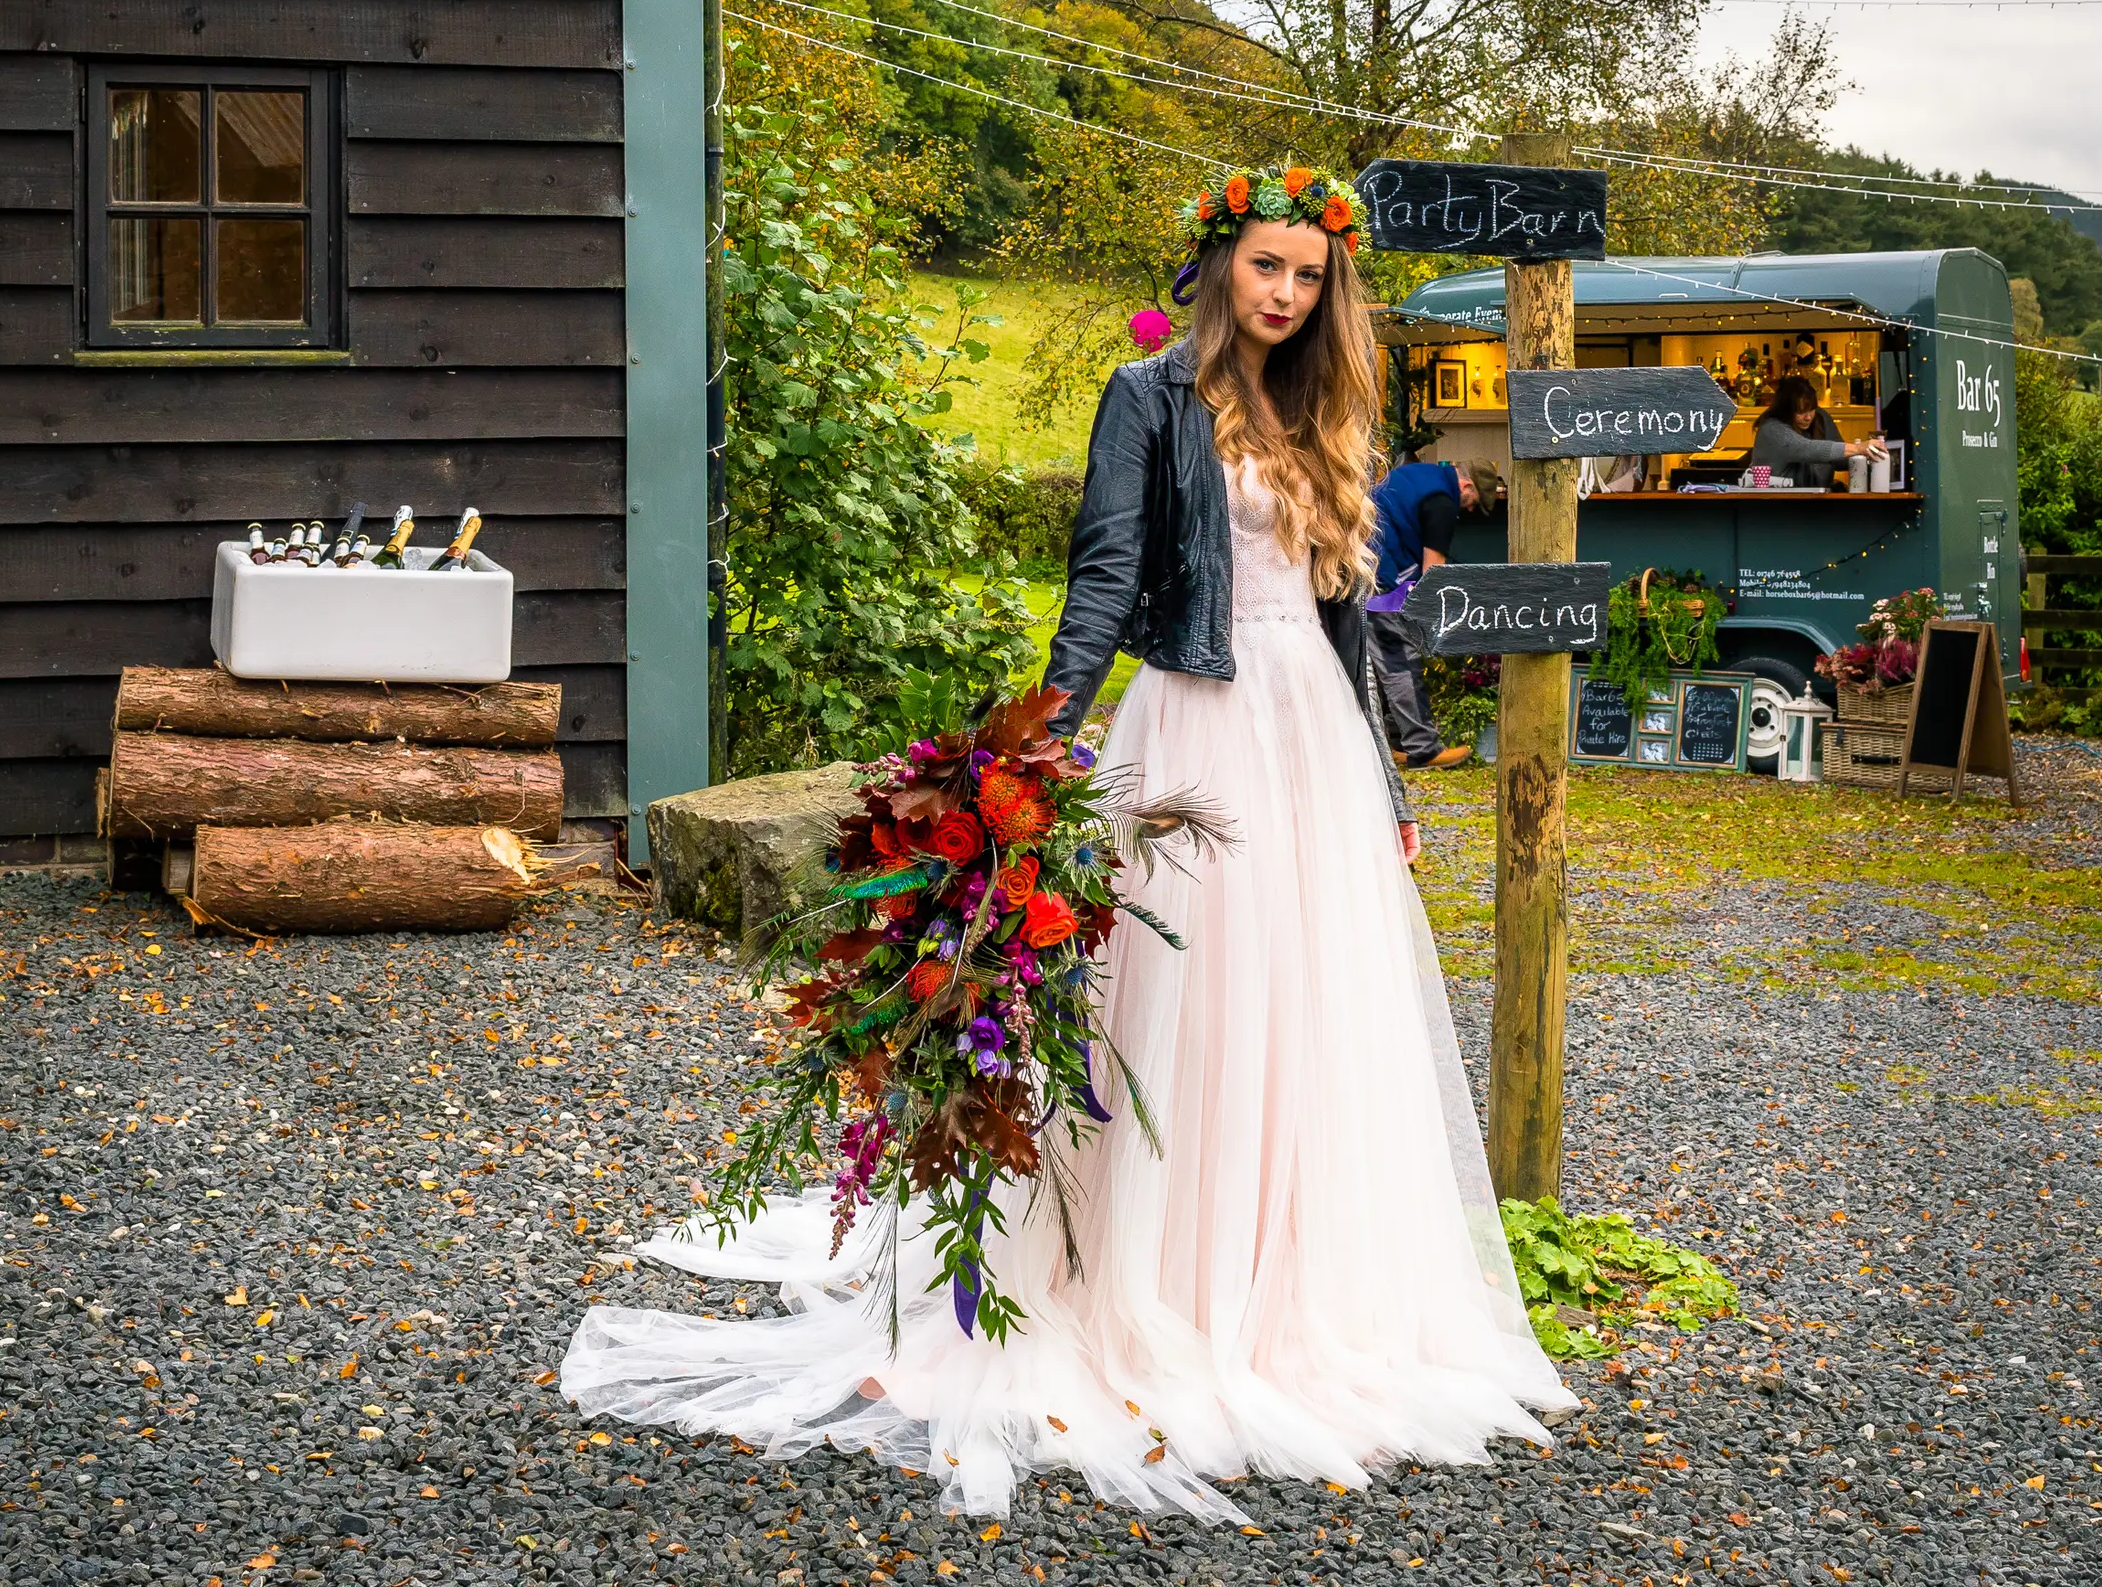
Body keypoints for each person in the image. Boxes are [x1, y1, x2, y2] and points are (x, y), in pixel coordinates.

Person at [562, 165, 1569, 1523]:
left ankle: (1295, 1285)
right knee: (1185, 1003)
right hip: (1197, 724)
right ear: (1220, 267)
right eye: (1266, 267)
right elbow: (1104, 576)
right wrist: (1033, 748)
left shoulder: (1327, 408)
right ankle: (1154, 1279)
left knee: (1310, 1005)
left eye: (1308, 275)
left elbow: (1342, 612)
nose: (1285, 294)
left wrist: (1385, 782)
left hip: (1311, 740)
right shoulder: (1148, 396)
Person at [1361, 457, 1495, 766]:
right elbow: (1433, 575)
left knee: (1379, 668)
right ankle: (1423, 748)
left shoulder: (1417, 472)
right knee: (1400, 663)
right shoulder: (1442, 503)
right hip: (1382, 582)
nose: (1470, 509)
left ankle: (1391, 744)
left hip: (1364, 564)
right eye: (1474, 502)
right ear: (1467, 485)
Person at [1749, 374, 1850, 484]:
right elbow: (1806, 449)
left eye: (1812, 409)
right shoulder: (1771, 429)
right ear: (1785, 410)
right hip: (1774, 498)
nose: (1808, 417)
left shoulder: (1821, 418)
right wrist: (1859, 448)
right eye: (1800, 412)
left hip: (1817, 497)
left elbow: (1842, 460)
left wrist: (1866, 457)